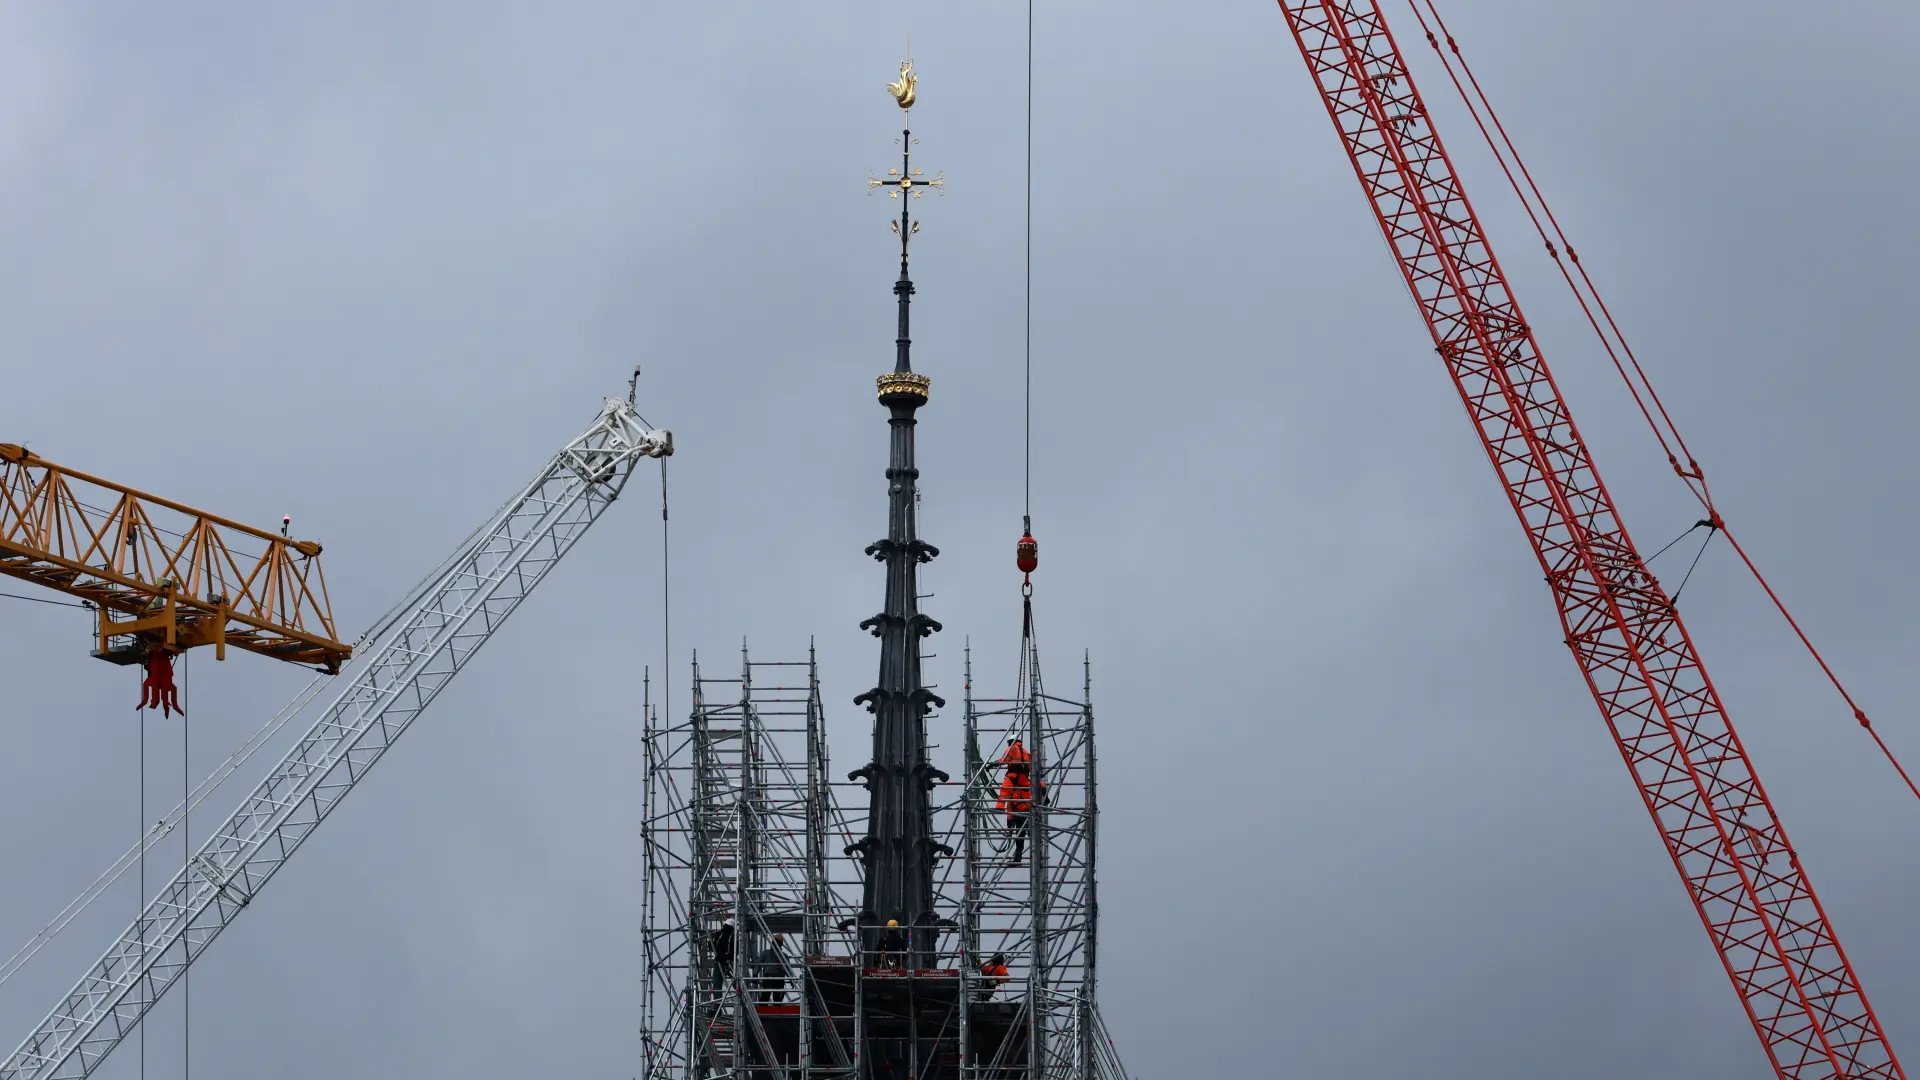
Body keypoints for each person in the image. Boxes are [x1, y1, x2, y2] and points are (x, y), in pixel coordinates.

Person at [751, 934, 789, 1004]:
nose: (775, 944)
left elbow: (788, 970)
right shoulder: (766, 953)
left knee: (777, 999)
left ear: (780, 944)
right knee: (765, 996)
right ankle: (762, 1012)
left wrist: (792, 980)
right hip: (768, 978)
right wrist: (755, 975)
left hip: (779, 979)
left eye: (778, 942)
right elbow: (758, 964)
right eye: (774, 942)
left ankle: (777, 1013)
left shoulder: (784, 956)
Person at [710, 919, 735, 985]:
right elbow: (712, 946)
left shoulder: (733, 937)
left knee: (736, 980)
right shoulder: (718, 935)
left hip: (729, 961)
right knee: (717, 981)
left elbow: (735, 950)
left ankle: (740, 993)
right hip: (720, 960)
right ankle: (718, 995)